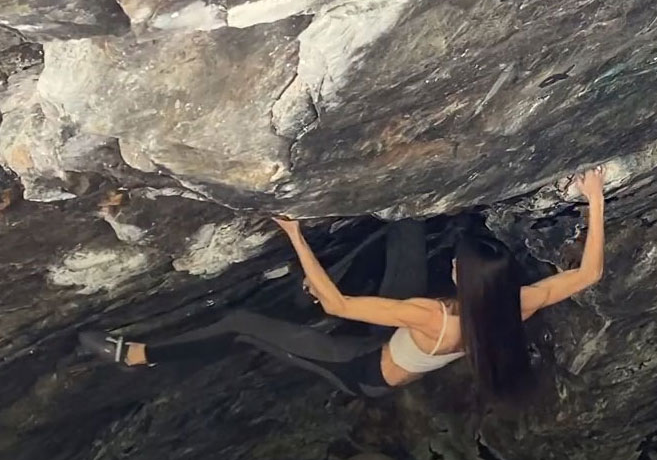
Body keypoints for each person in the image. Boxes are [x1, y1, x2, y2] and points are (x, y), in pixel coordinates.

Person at [79, 167, 605, 401]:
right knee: (406, 231)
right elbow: (589, 274)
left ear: (459, 279)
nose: (449, 266)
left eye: (454, 265)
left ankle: (139, 355)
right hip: (395, 338)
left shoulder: (431, 314)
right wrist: (595, 199)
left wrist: (295, 235)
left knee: (241, 325)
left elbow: (337, 300)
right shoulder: (522, 303)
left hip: (360, 370)